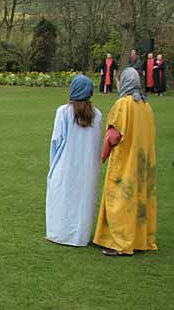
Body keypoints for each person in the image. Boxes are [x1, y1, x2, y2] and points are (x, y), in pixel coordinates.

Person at [93, 68, 157, 256]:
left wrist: (103, 155)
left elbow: (113, 136)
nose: (117, 84)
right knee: (139, 200)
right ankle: (139, 239)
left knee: (121, 200)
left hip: (126, 162)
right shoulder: (146, 106)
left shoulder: (124, 105)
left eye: (118, 80)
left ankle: (120, 242)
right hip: (143, 165)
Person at [46, 75, 102, 247]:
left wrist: (53, 166)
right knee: (82, 199)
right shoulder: (97, 115)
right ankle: (79, 235)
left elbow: (56, 140)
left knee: (64, 196)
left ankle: (60, 233)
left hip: (66, 163)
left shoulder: (63, 112)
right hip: (87, 166)